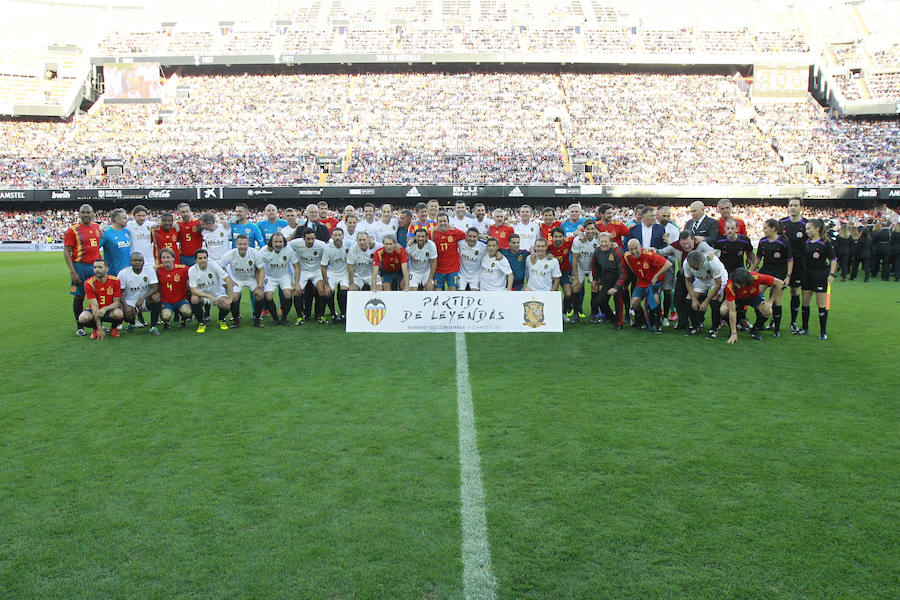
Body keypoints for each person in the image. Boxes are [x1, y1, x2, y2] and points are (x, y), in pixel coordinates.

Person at [657, 231, 716, 329]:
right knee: (678, 298)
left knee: (698, 299)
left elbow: (714, 252)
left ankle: (698, 321)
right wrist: (651, 250)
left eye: (688, 243)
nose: (686, 246)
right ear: (679, 242)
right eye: (683, 244)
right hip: (683, 275)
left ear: (693, 240)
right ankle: (683, 322)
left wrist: (709, 256)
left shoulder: (701, 245)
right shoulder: (675, 246)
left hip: (699, 277)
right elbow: (662, 252)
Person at [64, 203, 103, 336]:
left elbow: (101, 238)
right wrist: (73, 272)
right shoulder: (73, 230)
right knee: (79, 297)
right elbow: (66, 251)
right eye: (83, 213)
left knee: (98, 296)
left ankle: (98, 326)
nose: (86, 215)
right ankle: (80, 326)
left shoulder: (97, 227)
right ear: (79, 214)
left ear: (93, 214)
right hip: (80, 266)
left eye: (88, 212)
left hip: (95, 267)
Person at [720, 268, 784, 343]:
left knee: (768, 311)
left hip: (754, 297)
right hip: (737, 299)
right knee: (723, 310)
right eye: (735, 283)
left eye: (739, 283)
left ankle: (755, 329)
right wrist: (734, 333)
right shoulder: (730, 285)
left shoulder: (756, 277)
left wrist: (770, 302)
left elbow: (780, 283)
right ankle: (734, 328)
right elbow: (732, 311)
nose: (737, 286)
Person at [623, 238, 671, 333]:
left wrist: (656, 276)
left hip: (654, 282)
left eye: (635, 248)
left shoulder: (650, 255)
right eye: (631, 249)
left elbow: (668, 264)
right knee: (635, 302)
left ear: (640, 246)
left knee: (655, 300)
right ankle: (642, 322)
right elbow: (632, 268)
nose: (633, 251)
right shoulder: (627, 256)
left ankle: (657, 324)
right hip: (642, 282)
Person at [799, 219, 837, 340]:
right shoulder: (807, 242)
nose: (807, 231)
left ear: (817, 229)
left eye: (809, 228)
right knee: (805, 302)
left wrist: (831, 274)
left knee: (821, 304)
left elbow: (833, 259)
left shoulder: (825, 243)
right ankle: (805, 328)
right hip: (807, 274)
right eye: (806, 229)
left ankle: (823, 332)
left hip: (820, 274)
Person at [755, 219, 793, 337]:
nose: (764, 230)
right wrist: (753, 269)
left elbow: (790, 260)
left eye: (766, 228)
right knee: (757, 296)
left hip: (779, 273)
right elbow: (758, 256)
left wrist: (788, 276)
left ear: (773, 228)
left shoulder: (783, 242)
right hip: (765, 271)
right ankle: (760, 323)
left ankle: (776, 329)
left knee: (777, 301)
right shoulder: (762, 241)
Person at [218, 234, 264, 328]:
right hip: (236, 278)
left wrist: (260, 285)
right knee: (234, 297)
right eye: (240, 244)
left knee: (259, 295)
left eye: (244, 244)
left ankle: (257, 320)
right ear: (236, 244)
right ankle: (236, 320)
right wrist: (229, 280)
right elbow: (221, 266)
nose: (242, 246)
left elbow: (261, 269)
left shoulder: (254, 253)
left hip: (251, 278)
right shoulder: (230, 254)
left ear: (248, 244)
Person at [188, 248, 237, 333]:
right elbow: (193, 290)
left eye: (204, 258)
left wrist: (230, 298)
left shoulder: (214, 265)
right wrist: (209, 296)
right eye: (200, 258)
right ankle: (201, 323)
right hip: (202, 295)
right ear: (196, 260)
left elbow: (228, 280)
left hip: (217, 293)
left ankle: (221, 319)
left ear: (207, 258)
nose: (203, 260)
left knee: (227, 305)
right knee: (194, 299)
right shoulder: (192, 270)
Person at [682, 249, 728, 338]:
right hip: (701, 280)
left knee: (714, 301)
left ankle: (714, 329)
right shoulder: (686, 263)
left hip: (718, 279)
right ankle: (696, 326)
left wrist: (706, 301)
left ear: (702, 262)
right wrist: (694, 300)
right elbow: (688, 281)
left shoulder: (712, 261)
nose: (693, 269)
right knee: (689, 300)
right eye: (692, 267)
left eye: (695, 267)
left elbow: (718, 284)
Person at [779, 197, 808, 334]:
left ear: (801, 207)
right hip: (782, 263)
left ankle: (793, 322)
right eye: (790, 205)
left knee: (794, 291)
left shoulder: (806, 224)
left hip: (798, 263)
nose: (792, 208)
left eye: (795, 205)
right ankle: (774, 320)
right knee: (777, 290)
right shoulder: (782, 223)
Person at [287, 227, 327, 324]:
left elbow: (328, 255)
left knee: (322, 291)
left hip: (317, 271)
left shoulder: (321, 245)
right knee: (297, 291)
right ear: (303, 238)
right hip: (303, 271)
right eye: (308, 239)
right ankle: (300, 317)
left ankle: (320, 315)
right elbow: (285, 245)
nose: (311, 241)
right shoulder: (296, 243)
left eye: (313, 238)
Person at [78, 258, 124, 340]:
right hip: (95, 310)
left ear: (107, 269)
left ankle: (113, 328)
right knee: (83, 318)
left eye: (100, 267)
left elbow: (117, 303)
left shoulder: (115, 281)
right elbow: (94, 307)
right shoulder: (89, 283)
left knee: (119, 313)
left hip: (109, 310)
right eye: (95, 267)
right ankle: (95, 329)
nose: (97, 270)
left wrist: (105, 308)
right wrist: (99, 329)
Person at [589, 232, 627, 328]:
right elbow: (595, 266)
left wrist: (616, 287)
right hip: (607, 281)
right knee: (600, 301)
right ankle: (611, 317)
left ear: (611, 242)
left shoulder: (617, 252)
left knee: (618, 299)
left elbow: (623, 272)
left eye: (606, 242)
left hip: (619, 281)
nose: (603, 244)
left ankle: (619, 323)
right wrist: (595, 279)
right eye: (601, 242)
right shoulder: (597, 252)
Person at [117, 252, 160, 335]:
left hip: (145, 300)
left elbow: (154, 287)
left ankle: (153, 326)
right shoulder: (123, 274)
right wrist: (125, 306)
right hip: (130, 301)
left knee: (156, 298)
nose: (137, 262)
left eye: (140, 260)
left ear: (143, 262)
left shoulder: (149, 270)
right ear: (130, 262)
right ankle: (131, 323)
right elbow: (119, 293)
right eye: (134, 260)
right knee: (123, 313)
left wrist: (143, 298)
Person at [155, 247, 192, 329]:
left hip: (181, 300)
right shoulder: (157, 270)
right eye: (163, 258)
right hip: (166, 301)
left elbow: (193, 276)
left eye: (168, 257)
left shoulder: (183, 269)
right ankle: (166, 322)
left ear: (173, 258)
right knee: (165, 316)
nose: (165, 260)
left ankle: (183, 319)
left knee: (187, 312)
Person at [320, 227, 352, 323]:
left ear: (343, 236)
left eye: (339, 235)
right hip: (332, 272)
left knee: (343, 293)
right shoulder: (327, 248)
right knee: (329, 292)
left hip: (344, 273)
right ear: (332, 237)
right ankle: (333, 313)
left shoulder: (348, 244)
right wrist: (327, 285)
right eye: (335, 235)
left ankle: (343, 313)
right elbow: (323, 266)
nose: (337, 237)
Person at [571, 219, 600, 322]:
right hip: (581, 267)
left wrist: (597, 276)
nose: (590, 231)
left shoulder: (599, 239)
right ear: (584, 229)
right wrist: (576, 278)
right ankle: (576, 313)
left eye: (592, 228)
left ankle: (593, 314)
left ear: (595, 229)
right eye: (588, 229)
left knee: (595, 288)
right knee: (576, 287)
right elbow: (574, 259)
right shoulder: (578, 240)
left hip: (593, 268)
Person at [431, 212, 467, 290]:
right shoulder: (433, 233)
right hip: (438, 269)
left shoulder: (454, 232)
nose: (443, 223)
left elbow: (468, 236)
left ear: (448, 222)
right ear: (437, 223)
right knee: (437, 291)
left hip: (452, 269)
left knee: (453, 291)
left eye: (445, 221)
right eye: (440, 221)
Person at [548, 227, 576, 320]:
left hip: (565, 271)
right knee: (552, 293)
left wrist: (579, 232)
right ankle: (551, 313)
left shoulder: (568, 242)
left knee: (568, 293)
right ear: (552, 237)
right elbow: (535, 247)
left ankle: (564, 313)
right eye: (556, 236)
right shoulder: (547, 245)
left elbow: (579, 235)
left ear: (563, 237)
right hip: (551, 274)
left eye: (560, 236)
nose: (558, 239)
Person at [99, 207, 132, 278]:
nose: (127, 220)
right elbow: (94, 249)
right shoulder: (106, 233)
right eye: (124, 218)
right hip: (113, 274)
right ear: (117, 220)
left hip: (129, 273)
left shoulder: (126, 231)